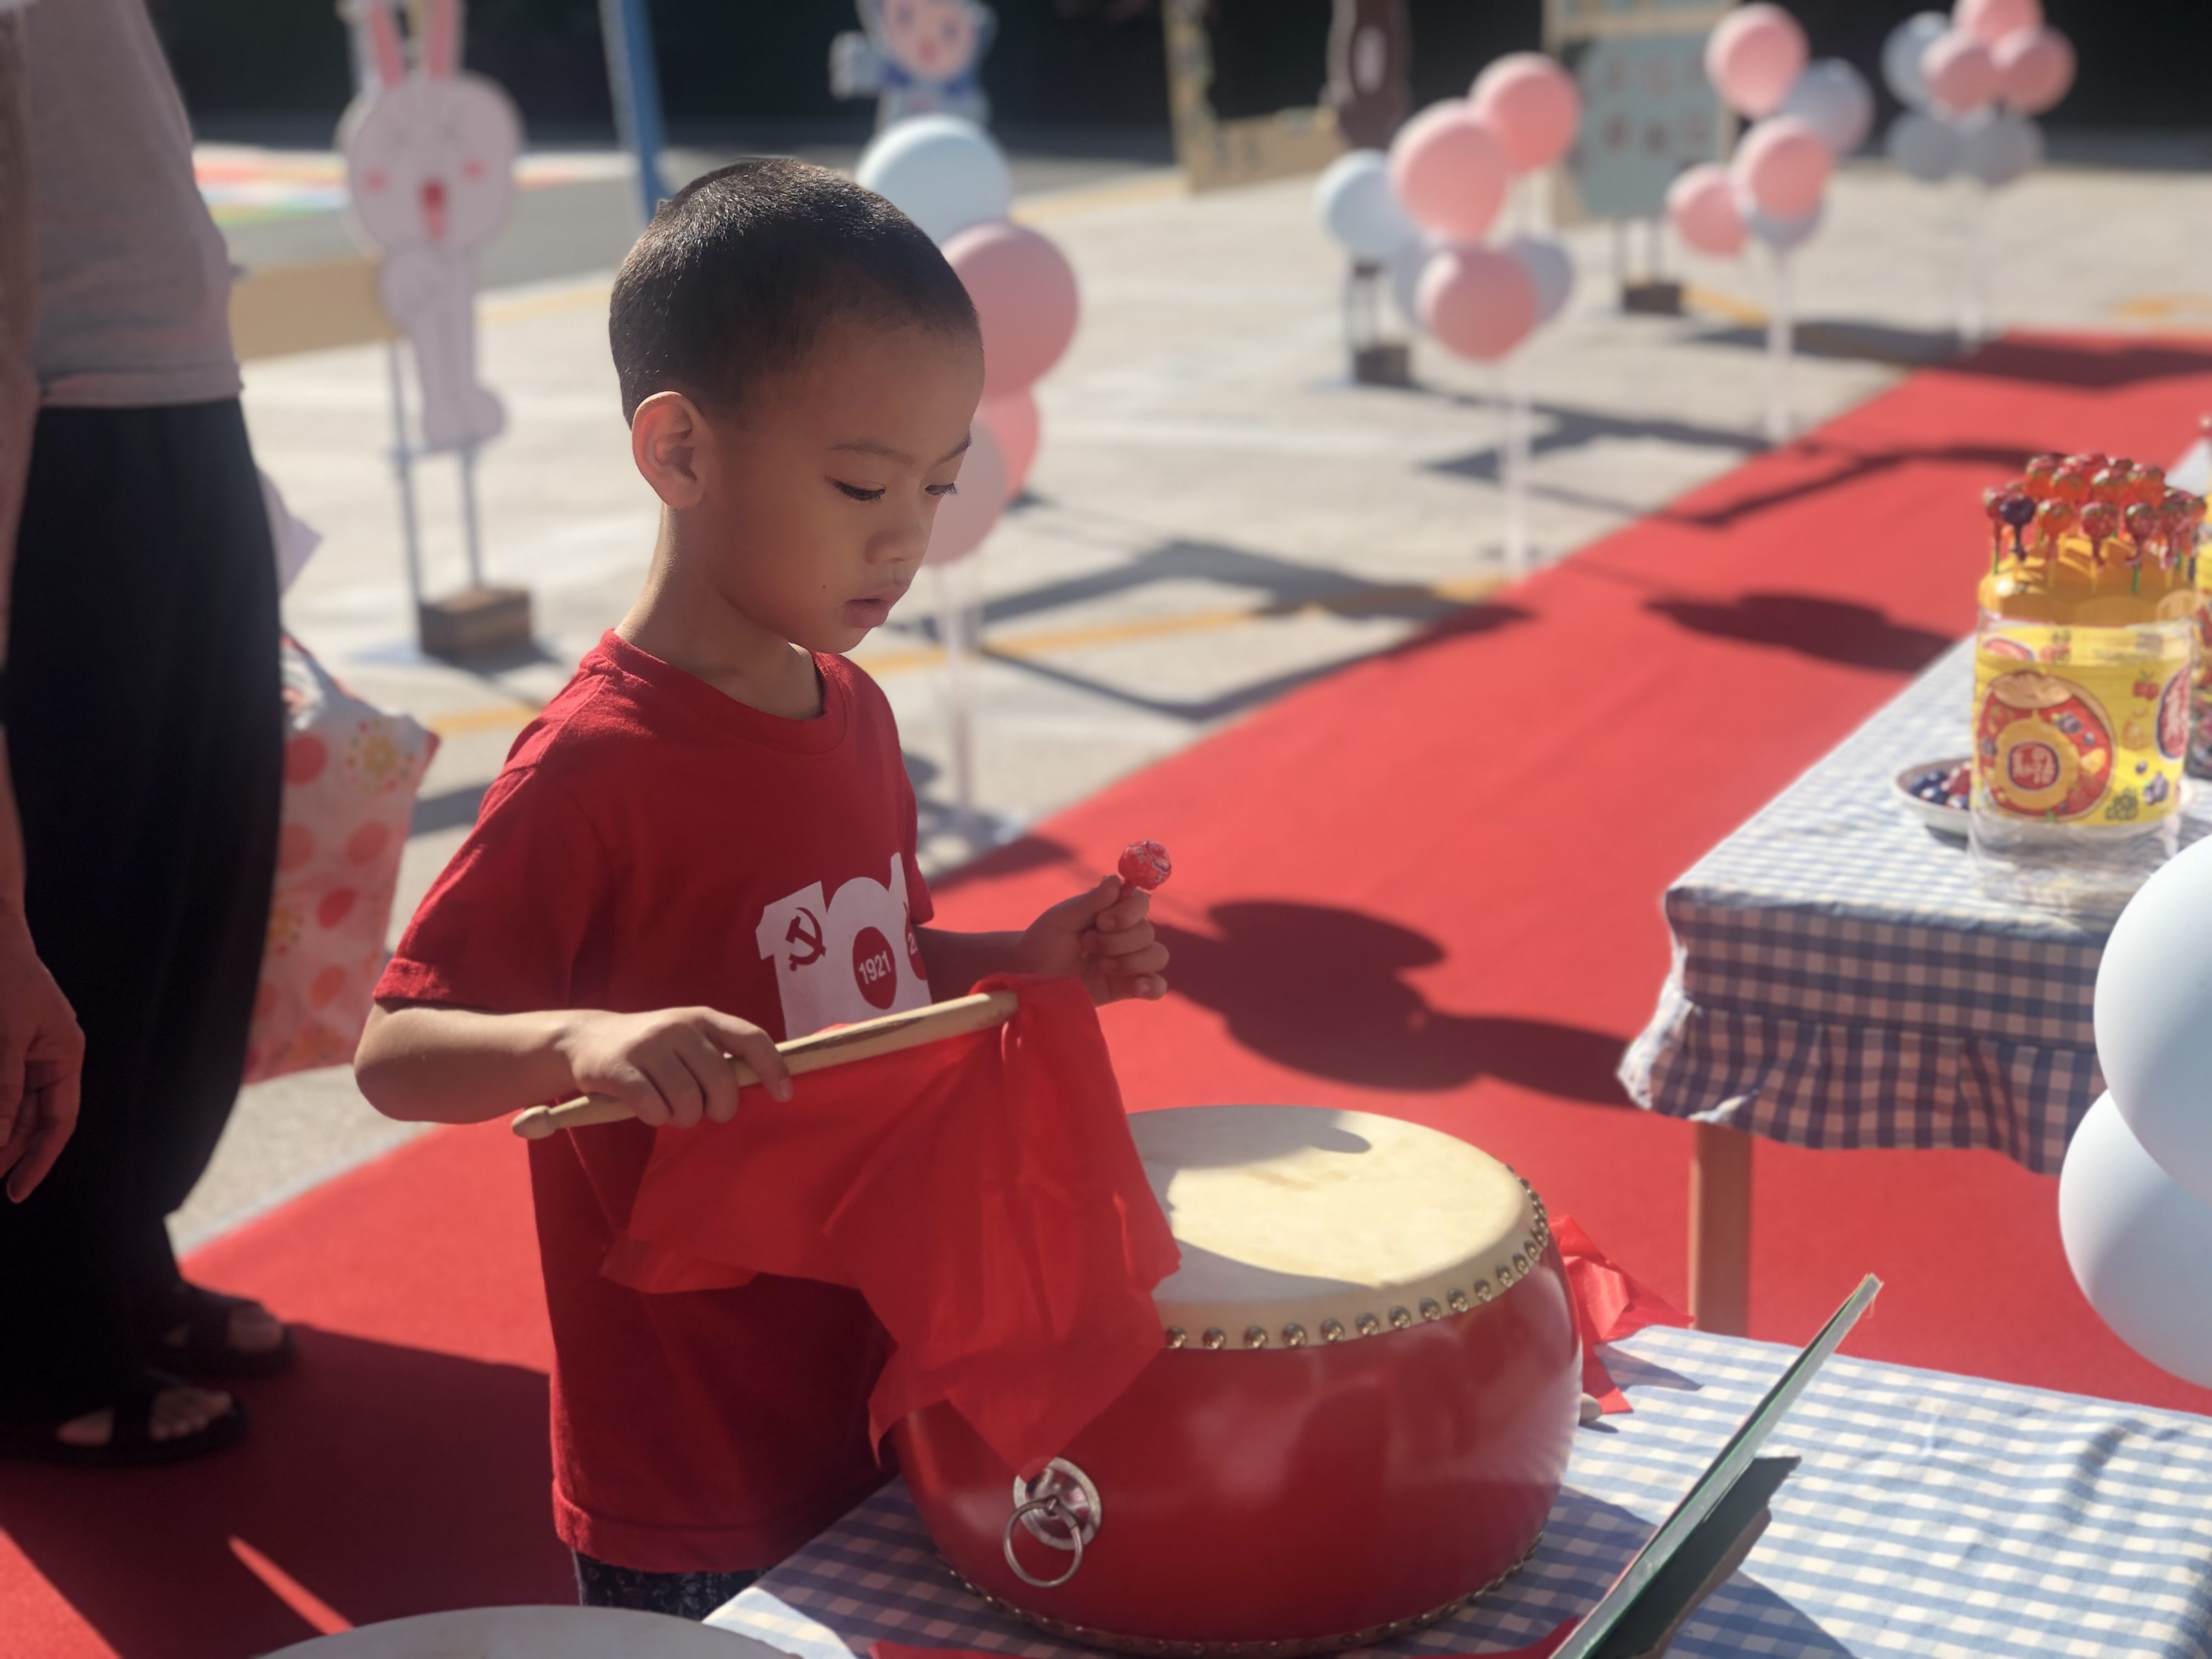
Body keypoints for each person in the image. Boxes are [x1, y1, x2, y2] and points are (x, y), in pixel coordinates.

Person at [353, 159, 1169, 1620]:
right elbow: (397, 1053)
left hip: (873, 1374)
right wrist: (581, 1043)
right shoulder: (593, 766)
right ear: (679, 452)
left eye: (938, 484)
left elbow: (859, 965)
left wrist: (1021, 957)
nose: (906, 536)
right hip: (692, 1459)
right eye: (861, 484)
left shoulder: (852, 712)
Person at [0, 0, 292, 1467]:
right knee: (83, 909)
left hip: (182, 405)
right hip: (63, 432)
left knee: (198, 888)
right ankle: (42, 1329)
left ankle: (122, 1258)